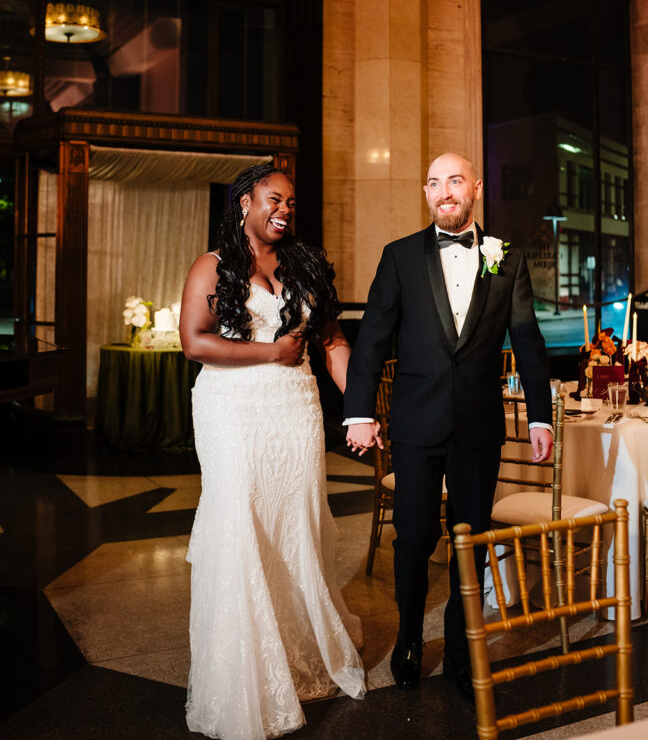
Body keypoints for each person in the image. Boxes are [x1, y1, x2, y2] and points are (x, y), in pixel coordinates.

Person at [343, 152, 553, 700]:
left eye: (454, 181)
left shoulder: (504, 256)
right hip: (415, 422)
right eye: (433, 184)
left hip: (479, 425)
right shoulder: (400, 256)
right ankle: (409, 641)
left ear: (475, 188)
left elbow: (527, 341)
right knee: (413, 539)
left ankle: (462, 649)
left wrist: (539, 416)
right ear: (426, 193)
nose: (443, 192)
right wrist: (360, 412)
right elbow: (372, 340)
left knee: (471, 538)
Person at [180, 162, 366, 740]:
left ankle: (292, 647)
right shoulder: (212, 266)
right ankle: (242, 672)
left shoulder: (304, 265)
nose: (284, 210)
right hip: (231, 409)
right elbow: (193, 341)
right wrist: (268, 354)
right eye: (273, 199)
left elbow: (331, 339)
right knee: (240, 523)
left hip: (296, 409)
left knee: (294, 524)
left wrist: (360, 402)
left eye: (290, 202)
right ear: (244, 203)